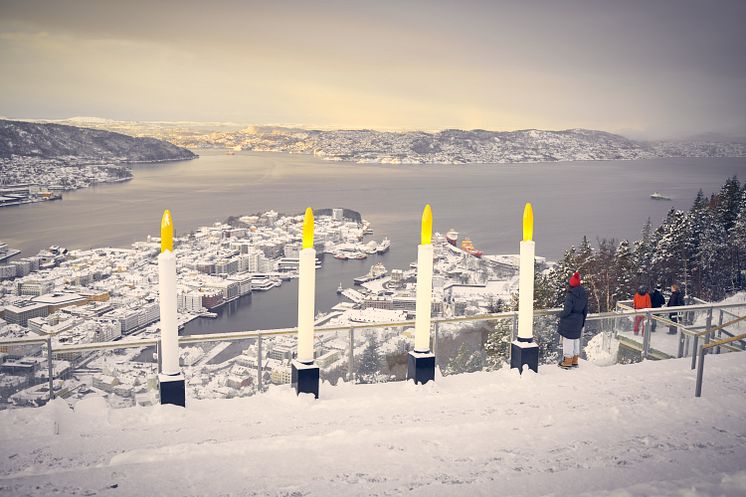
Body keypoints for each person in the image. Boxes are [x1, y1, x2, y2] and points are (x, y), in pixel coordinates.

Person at [558, 271, 588, 369]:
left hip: (569, 321)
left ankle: (567, 362)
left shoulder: (571, 295)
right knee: (576, 340)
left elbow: (567, 310)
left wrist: (560, 315)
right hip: (579, 320)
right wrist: (582, 321)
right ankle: (575, 360)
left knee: (568, 341)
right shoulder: (583, 294)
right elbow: (585, 310)